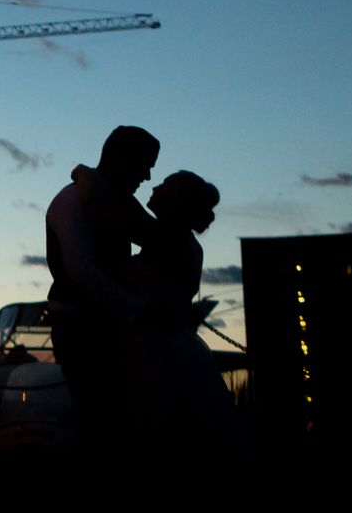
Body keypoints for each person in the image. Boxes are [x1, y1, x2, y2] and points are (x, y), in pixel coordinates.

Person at [44, 125, 160, 452]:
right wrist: (140, 312)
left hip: (106, 325)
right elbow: (82, 271)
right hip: (81, 327)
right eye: (145, 164)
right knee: (97, 418)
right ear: (121, 159)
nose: (148, 176)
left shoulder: (111, 200)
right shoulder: (71, 200)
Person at [121, 170, 243, 466]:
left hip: (156, 351)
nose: (156, 185)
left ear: (176, 201)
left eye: (166, 184)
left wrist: (88, 179)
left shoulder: (167, 238)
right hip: (169, 346)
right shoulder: (178, 241)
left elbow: (123, 210)